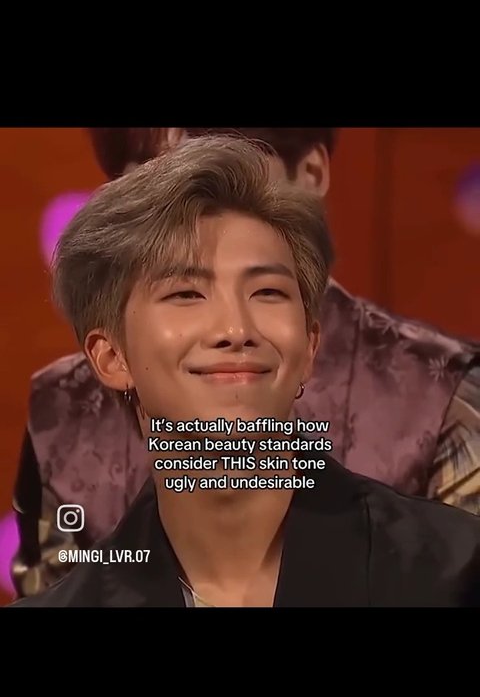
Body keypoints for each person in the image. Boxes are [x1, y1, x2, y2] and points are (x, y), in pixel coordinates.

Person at [10, 137, 480, 607]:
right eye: (186, 294)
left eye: (268, 292)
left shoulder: (456, 575)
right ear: (111, 357)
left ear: (309, 346)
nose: (236, 330)